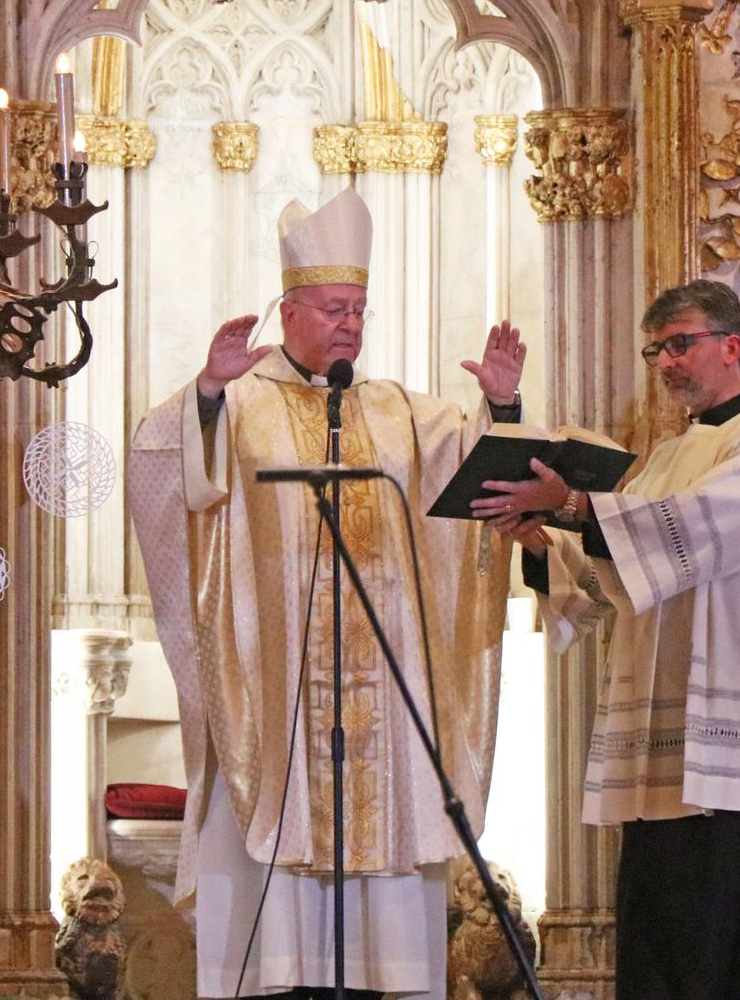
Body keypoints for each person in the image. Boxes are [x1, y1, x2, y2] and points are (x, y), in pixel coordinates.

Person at [126, 187, 526, 1000]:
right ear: (290, 310)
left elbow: (481, 488)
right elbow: (160, 469)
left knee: (384, 935)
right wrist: (205, 390)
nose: (349, 323)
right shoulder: (239, 403)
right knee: (277, 929)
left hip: (385, 691)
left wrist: (504, 403)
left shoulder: (401, 414)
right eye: (335, 307)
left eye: (359, 309)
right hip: (274, 699)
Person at [478, 278, 740, 1000]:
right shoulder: (662, 458)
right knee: (668, 956)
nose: (668, 362)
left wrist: (576, 505)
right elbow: (603, 579)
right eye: (658, 350)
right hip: (665, 766)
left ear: (732, 345)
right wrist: (542, 536)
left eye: (681, 343)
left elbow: (705, 527)